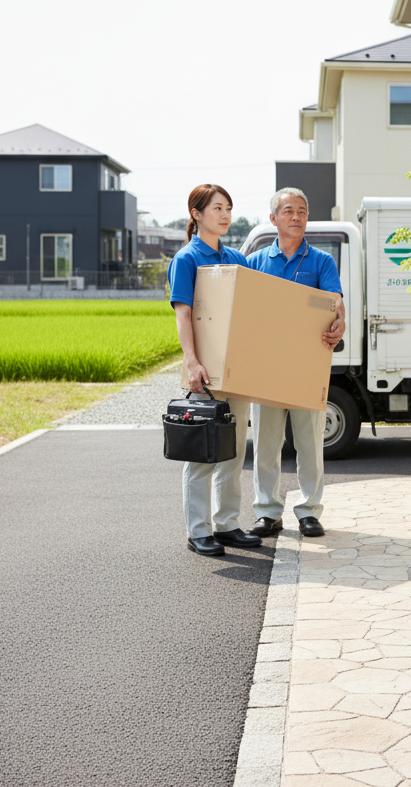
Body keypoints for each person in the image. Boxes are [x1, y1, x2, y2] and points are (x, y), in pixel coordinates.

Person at [168, 184, 263, 557]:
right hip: (206, 371)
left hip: (236, 368)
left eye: (228, 209)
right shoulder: (187, 259)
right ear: (197, 214)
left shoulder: (236, 258)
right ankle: (198, 531)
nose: (225, 215)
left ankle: (226, 524)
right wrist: (192, 361)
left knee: (234, 450)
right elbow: (184, 314)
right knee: (203, 451)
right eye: (217, 208)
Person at [244, 187, 345, 539]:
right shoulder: (255, 262)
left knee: (310, 443)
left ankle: (309, 512)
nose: (297, 216)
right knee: (266, 445)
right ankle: (267, 512)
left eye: (302, 211)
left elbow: (334, 300)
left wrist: (340, 320)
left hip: (307, 366)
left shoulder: (321, 261)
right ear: (273, 218)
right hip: (266, 367)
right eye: (288, 211)